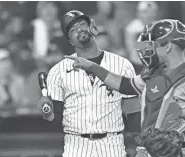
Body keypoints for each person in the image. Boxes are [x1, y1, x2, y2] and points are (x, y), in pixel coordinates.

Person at [65, 19, 185, 157]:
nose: (148, 49)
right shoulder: (153, 75)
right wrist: (92, 67)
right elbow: (125, 85)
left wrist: (184, 137)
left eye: (153, 44)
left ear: (168, 46)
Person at [37, 10, 137, 157]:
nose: (79, 30)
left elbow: (134, 111)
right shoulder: (58, 71)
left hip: (112, 144)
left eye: (82, 24)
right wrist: (48, 113)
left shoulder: (122, 64)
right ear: (69, 40)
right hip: (76, 146)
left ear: (92, 27)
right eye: (73, 30)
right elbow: (56, 120)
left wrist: (141, 147)